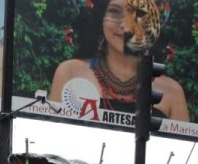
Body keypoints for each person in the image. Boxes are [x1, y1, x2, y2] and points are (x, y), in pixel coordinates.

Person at [48, 0, 189, 121]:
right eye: (115, 12)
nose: (125, 25)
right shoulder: (70, 72)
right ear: (101, 17)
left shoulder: (172, 92)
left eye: (138, 14)